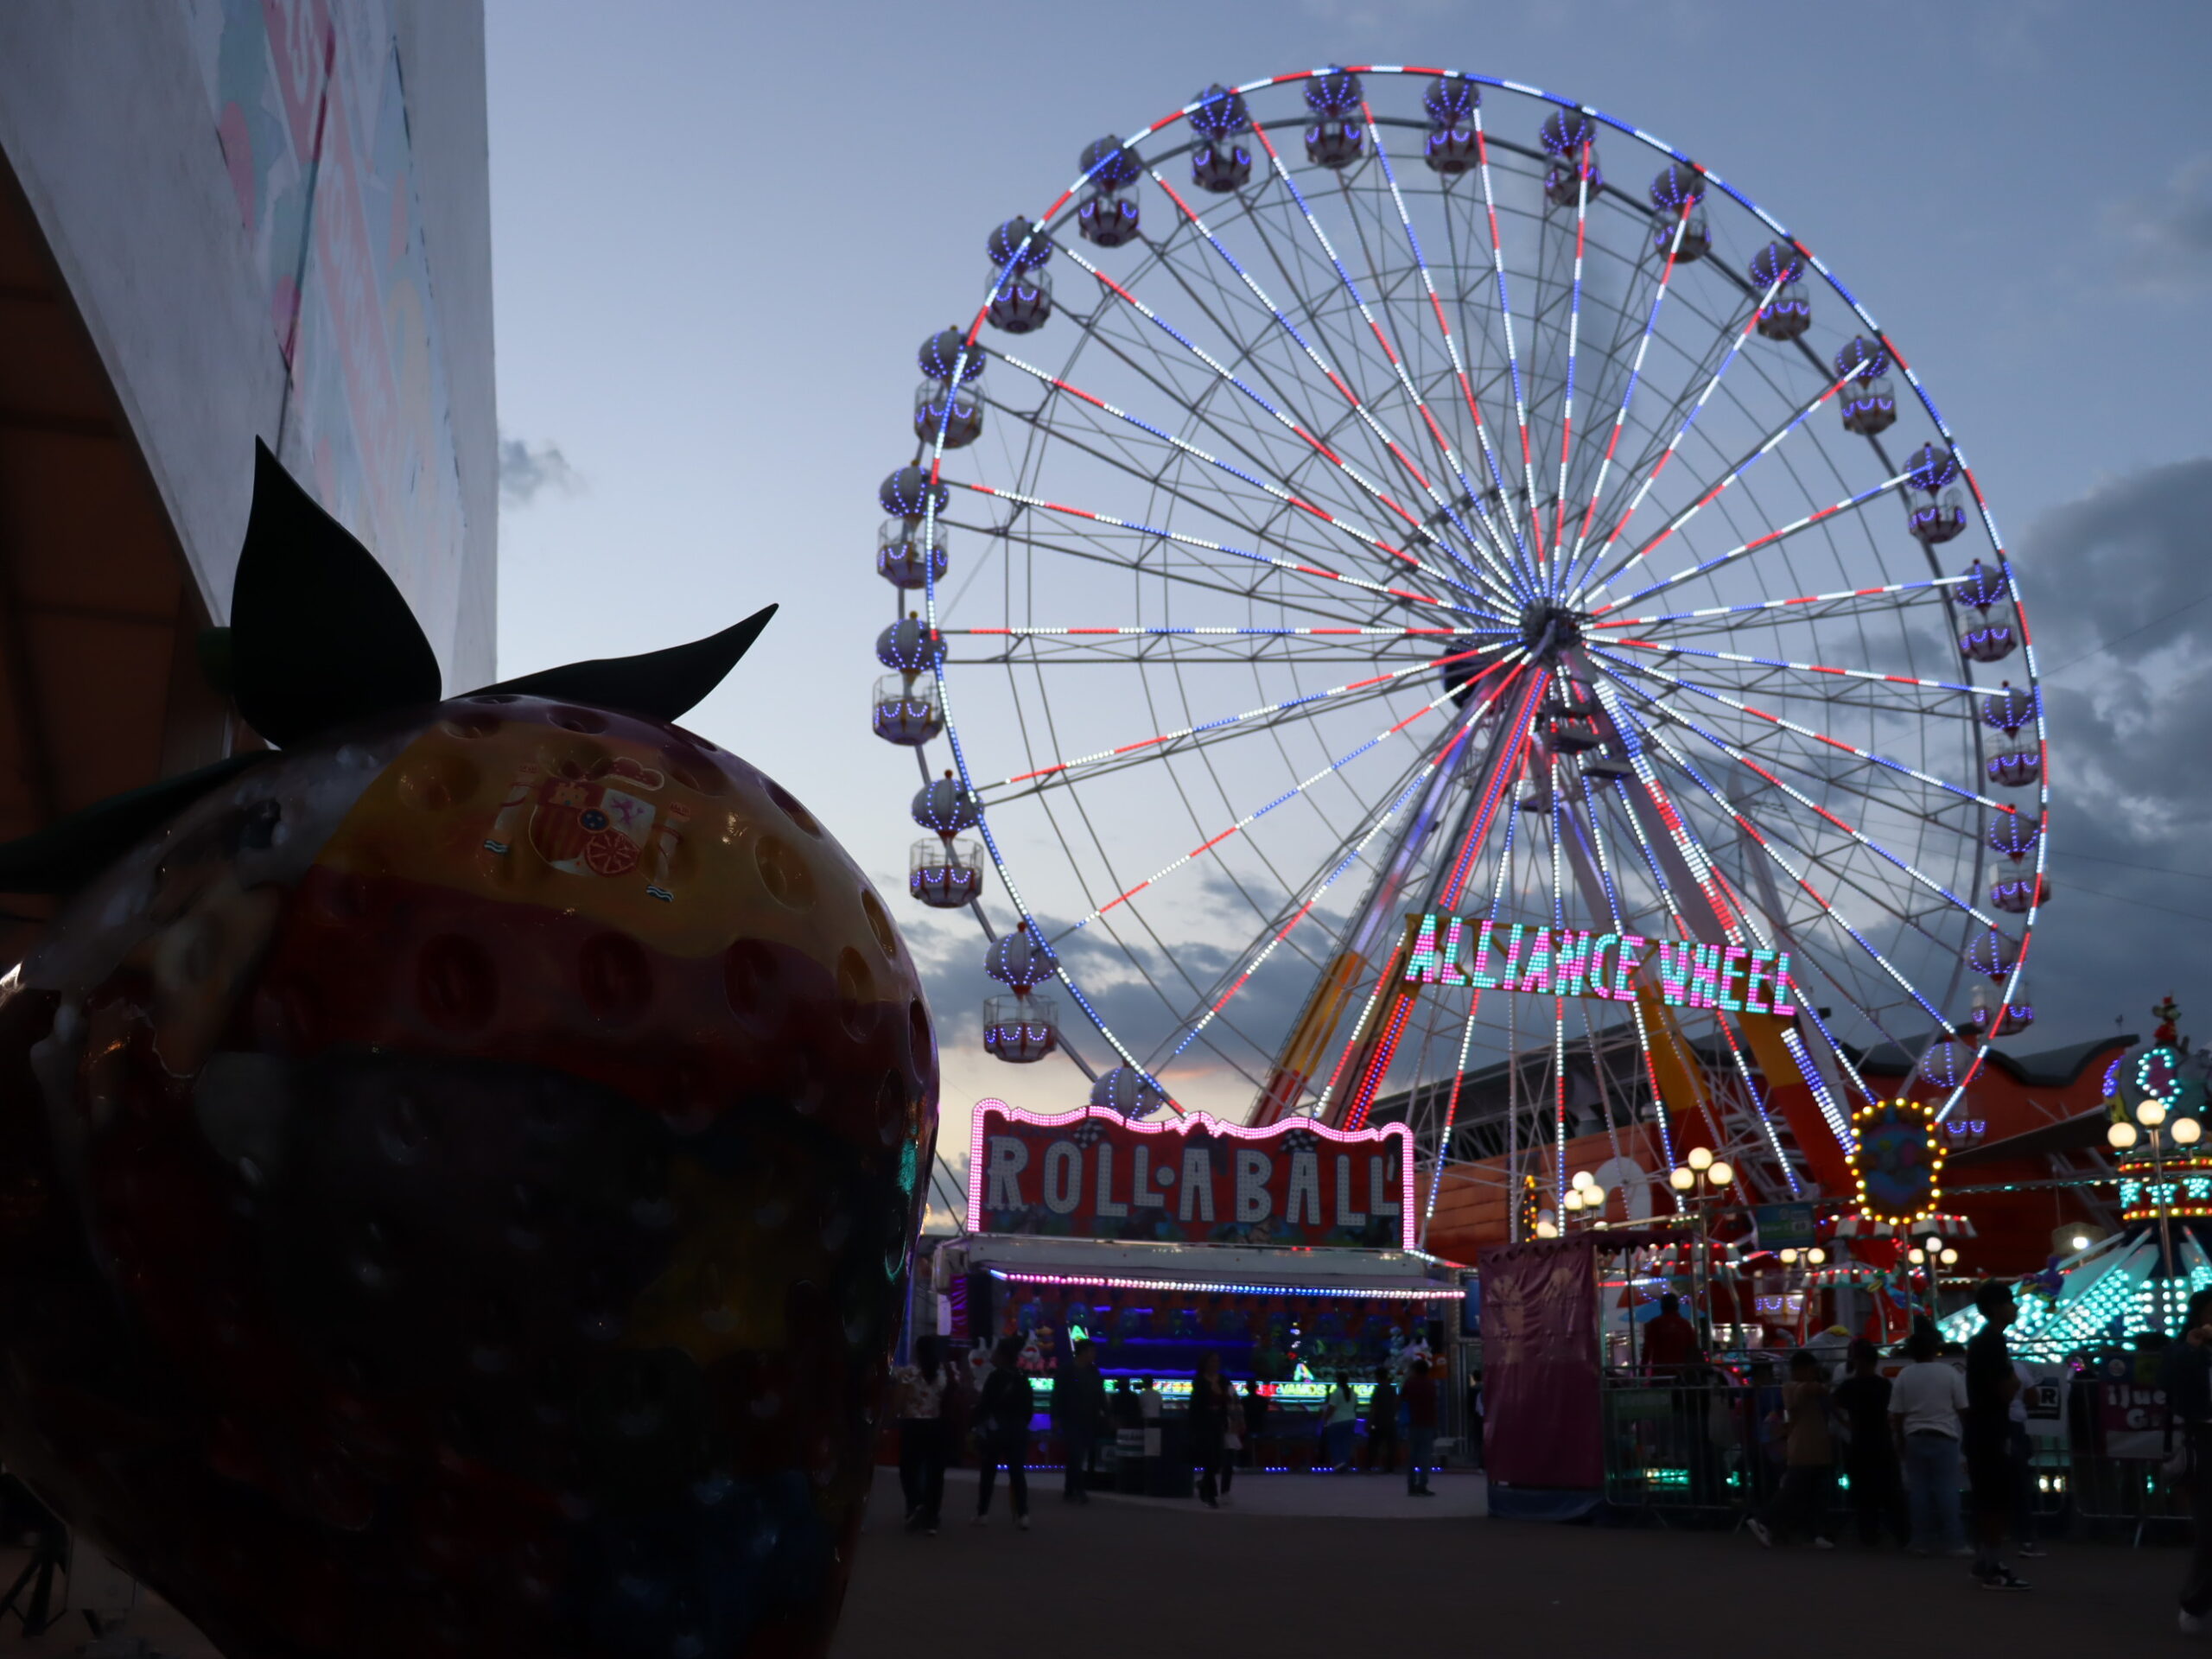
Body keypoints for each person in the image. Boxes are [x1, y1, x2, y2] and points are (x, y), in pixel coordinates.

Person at [1964, 1280, 2029, 1590]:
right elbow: (2008, 1389)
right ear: (1995, 1307)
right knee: (1995, 1498)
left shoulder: (1984, 1342)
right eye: (2010, 1302)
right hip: (1990, 1429)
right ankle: (1992, 1565)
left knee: (1990, 1496)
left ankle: (1985, 1561)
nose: (2015, 1307)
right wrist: (2015, 1384)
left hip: (1983, 1428)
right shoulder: (1991, 1343)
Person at [1889, 1325, 1968, 1559]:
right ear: (1935, 1350)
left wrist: (1901, 1441)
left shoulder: (1905, 1374)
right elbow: (1963, 1408)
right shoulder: (1949, 1373)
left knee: (1919, 1492)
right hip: (1944, 1437)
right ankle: (1955, 1541)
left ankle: (1920, 1540)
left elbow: (1897, 1412)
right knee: (1947, 1491)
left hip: (1914, 1436)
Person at [1747, 1350, 1836, 1548]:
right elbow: (1813, 1389)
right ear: (1801, 1370)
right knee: (1792, 1492)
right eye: (1811, 1370)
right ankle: (1764, 1520)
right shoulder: (1792, 1387)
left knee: (1813, 1494)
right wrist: (1823, 1384)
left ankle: (1816, 1533)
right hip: (1803, 1450)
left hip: (1815, 1448)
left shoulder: (1800, 1388)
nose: (1813, 1373)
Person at [2162, 1287, 2212, 1634]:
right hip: (2206, 1440)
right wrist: (2193, 1347)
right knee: (2209, 1529)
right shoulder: (2186, 1352)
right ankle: (2195, 1601)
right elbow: (2167, 1383)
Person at [1830, 1337, 1908, 1547]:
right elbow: (1894, 1411)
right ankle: (1902, 1534)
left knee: (1863, 1493)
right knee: (1891, 1491)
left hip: (1860, 1442)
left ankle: (1869, 1534)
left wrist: (1845, 1423)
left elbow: (1832, 1403)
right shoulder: (1883, 1385)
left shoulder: (1849, 1386)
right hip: (1881, 1441)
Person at [974, 1335, 1035, 1529]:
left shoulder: (995, 1377)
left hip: (995, 1430)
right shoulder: (1023, 1378)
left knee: (988, 1472)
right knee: (1017, 1473)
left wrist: (975, 1425)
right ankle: (1023, 1514)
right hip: (1017, 1430)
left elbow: (985, 1405)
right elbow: (1029, 1410)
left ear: (1002, 1355)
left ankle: (982, 1513)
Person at [893, 1335, 951, 1534]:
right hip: (936, 1425)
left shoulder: (909, 1373)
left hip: (913, 1425)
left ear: (917, 1351)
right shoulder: (943, 1372)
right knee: (936, 1473)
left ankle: (915, 1505)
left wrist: (896, 1413)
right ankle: (932, 1517)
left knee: (908, 1469)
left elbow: (899, 1402)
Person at [1053, 1338, 1106, 1504]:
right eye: (1092, 1352)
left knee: (1077, 1456)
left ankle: (1069, 1489)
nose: (1094, 1355)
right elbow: (1057, 1395)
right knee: (1076, 1454)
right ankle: (1079, 1490)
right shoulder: (1066, 1370)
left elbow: (1100, 1394)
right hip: (1071, 1419)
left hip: (1089, 1419)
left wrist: (1106, 1413)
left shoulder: (1093, 1371)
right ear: (1083, 1352)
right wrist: (1055, 1417)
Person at [1190, 1352, 1231, 1508]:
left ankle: (1203, 1485)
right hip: (1203, 1424)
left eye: (1217, 1361)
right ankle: (1211, 1495)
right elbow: (1196, 1404)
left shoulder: (1223, 1380)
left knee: (1217, 1460)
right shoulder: (1200, 1381)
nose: (1216, 1364)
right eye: (1213, 1361)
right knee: (1209, 1458)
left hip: (1218, 1423)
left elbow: (1228, 1401)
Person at [1404, 1357, 1439, 1496]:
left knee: (1412, 1457)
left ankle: (1411, 1486)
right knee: (1425, 1457)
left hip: (1413, 1424)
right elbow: (1434, 1405)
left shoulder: (1410, 1383)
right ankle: (1422, 1485)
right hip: (1428, 1424)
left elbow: (1402, 1401)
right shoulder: (1431, 1384)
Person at [1644, 1293, 1700, 1375]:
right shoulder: (1685, 1324)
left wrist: (1643, 1367)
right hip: (1682, 1370)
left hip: (1660, 1369)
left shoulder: (1655, 1323)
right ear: (1677, 1306)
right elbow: (1693, 1346)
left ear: (1662, 1306)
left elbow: (1647, 1348)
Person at [1364, 1366, 1401, 1474]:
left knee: (1373, 1444)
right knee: (1390, 1446)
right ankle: (1389, 1468)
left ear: (1377, 1377)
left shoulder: (1378, 1389)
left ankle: (1370, 1466)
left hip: (1378, 1422)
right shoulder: (1392, 1388)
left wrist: (1369, 1422)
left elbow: (1374, 1407)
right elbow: (1396, 1404)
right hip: (1390, 1421)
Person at [1320, 1376, 1358, 1471]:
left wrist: (1325, 1419)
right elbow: (1355, 1407)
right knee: (1346, 1444)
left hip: (1338, 1421)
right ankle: (1345, 1463)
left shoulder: (1336, 1392)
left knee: (1335, 1443)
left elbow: (1331, 1408)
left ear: (1337, 1381)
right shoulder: (1353, 1393)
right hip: (1351, 1420)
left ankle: (1338, 1463)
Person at [1242, 1379, 1269, 1468]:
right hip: (1259, 1425)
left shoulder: (1244, 1400)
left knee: (1247, 1445)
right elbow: (1265, 1410)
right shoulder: (1262, 1400)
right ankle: (1259, 1463)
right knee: (1259, 1445)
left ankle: (1248, 1463)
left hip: (1247, 1425)